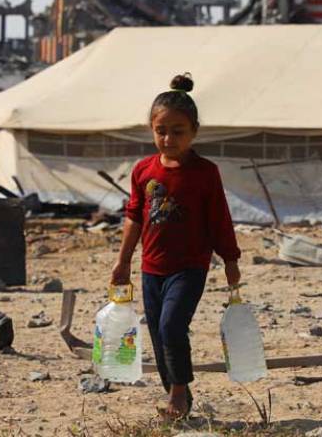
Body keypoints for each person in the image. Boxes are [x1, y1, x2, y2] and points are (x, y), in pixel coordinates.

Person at [111, 73, 241, 420]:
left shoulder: (205, 172)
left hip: (190, 266)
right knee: (156, 332)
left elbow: (219, 219)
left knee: (171, 326)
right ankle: (176, 393)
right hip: (151, 267)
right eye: (161, 131)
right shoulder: (143, 171)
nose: (168, 139)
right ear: (151, 129)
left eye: (178, 131)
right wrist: (123, 261)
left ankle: (180, 392)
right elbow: (134, 216)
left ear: (194, 131)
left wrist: (230, 259)